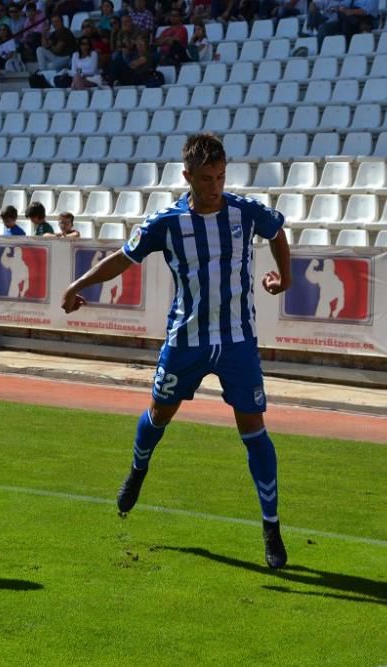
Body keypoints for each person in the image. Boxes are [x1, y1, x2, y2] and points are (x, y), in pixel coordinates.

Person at [61, 133, 293, 569]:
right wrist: (78, 285)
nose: (215, 186)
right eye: (206, 178)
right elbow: (122, 258)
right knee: (158, 415)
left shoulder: (244, 212)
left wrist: (287, 278)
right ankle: (138, 469)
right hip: (185, 340)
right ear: (186, 176)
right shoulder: (165, 223)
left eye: (221, 176)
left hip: (237, 341)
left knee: (254, 430)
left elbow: (278, 231)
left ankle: (271, 528)